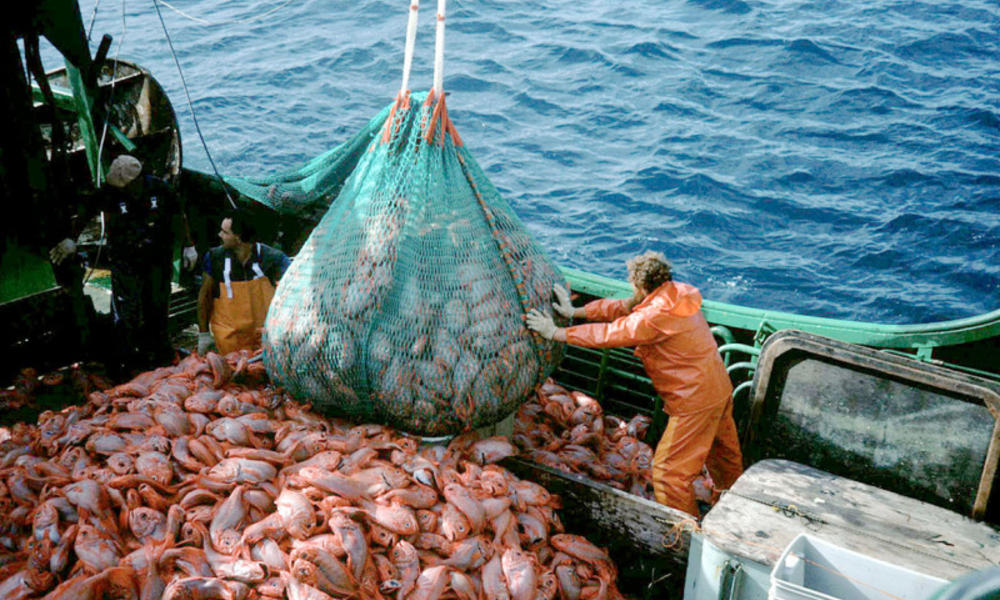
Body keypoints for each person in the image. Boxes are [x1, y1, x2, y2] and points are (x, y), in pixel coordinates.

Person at [526, 251, 743, 516]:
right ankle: (734, 508)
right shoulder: (675, 294)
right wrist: (576, 311)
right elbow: (623, 306)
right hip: (719, 389)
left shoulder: (653, 317)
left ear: (640, 285)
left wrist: (556, 332)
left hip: (694, 401)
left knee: (666, 474)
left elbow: (610, 333)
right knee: (724, 456)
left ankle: (687, 536)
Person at [50, 154, 198, 378]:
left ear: (137, 180)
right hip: (125, 261)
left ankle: (160, 355)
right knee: (126, 313)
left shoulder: (160, 188)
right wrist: (72, 237)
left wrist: (189, 245)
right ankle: (126, 363)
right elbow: (86, 211)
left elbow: (179, 214)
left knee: (157, 306)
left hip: (157, 258)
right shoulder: (109, 194)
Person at [197, 212, 291, 355]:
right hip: (229, 340)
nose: (219, 235)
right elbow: (204, 297)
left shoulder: (273, 258)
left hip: (266, 338)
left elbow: (292, 292)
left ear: (239, 238)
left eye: (225, 232)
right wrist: (204, 334)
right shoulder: (214, 258)